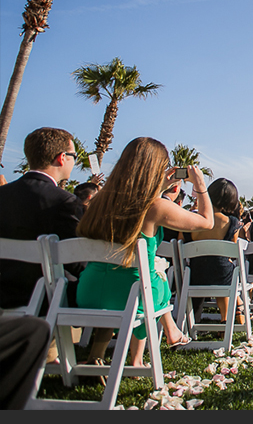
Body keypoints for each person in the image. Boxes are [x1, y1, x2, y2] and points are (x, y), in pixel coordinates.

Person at [75, 137, 215, 367]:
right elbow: (206, 222)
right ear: (155, 170)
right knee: (152, 282)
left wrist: (158, 188)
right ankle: (137, 360)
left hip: (88, 292)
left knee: (138, 280)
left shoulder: (99, 201)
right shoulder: (155, 206)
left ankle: (97, 356)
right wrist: (200, 185)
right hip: (134, 296)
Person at [0, 127, 85, 309]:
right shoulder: (64, 201)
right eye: (74, 157)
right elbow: (76, 260)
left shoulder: (2, 194)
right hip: (44, 297)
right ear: (62, 158)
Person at [182, 178, 247, 325]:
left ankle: (193, 321)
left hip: (195, 275)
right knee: (224, 266)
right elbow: (232, 251)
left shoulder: (192, 219)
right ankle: (225, 318)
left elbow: (182, 241)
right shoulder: (231, 223)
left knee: (216, 266)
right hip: (222, 276)